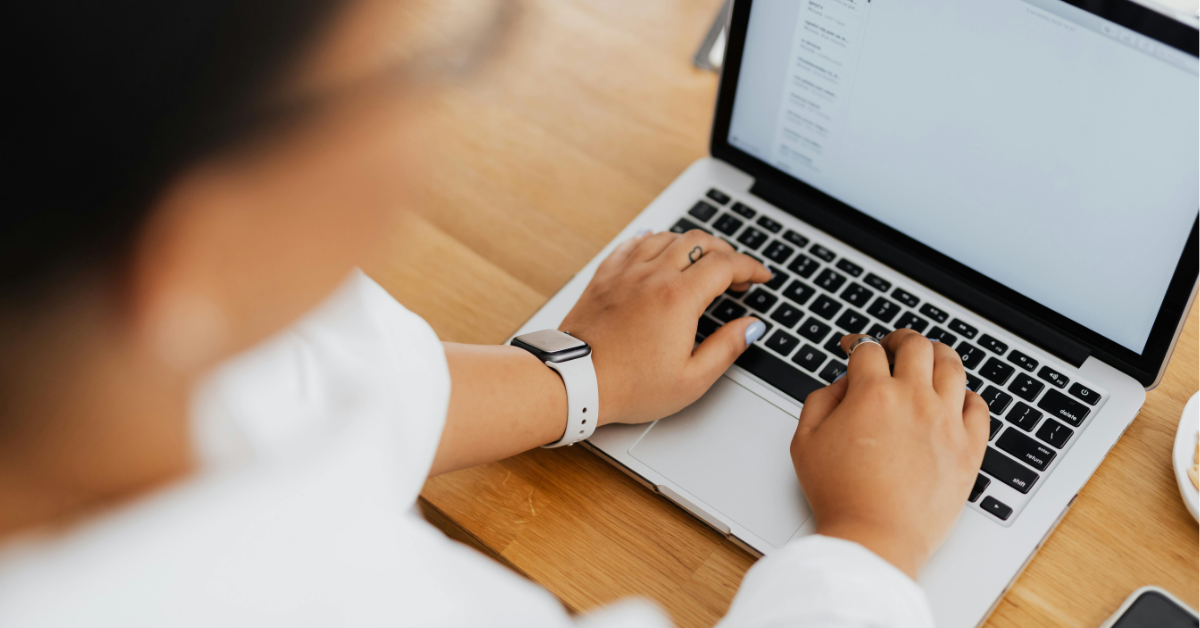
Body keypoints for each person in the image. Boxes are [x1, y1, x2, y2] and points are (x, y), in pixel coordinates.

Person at [1, 1, 989, 626]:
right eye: (405, 70)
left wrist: (582, 377)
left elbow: (302, 382)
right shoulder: (330, 601)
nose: (422, 131)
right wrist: (873, 539)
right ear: (186, 252)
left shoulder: (77, 364)